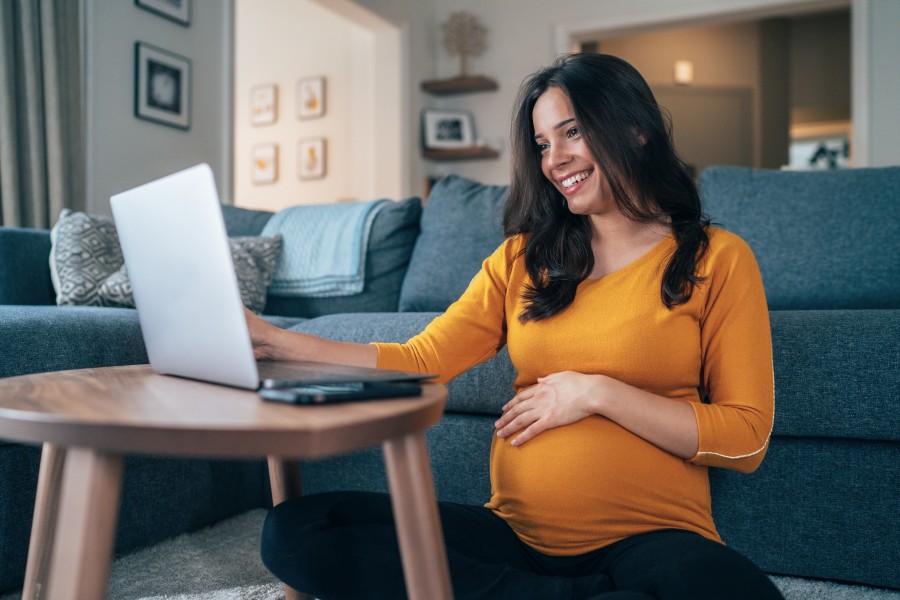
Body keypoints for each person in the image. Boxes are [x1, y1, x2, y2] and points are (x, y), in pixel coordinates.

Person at [247, 53, 785, 600]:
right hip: (511, 539)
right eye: (543, 143)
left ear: (636, 128)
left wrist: (598, 393)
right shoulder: (523, 258)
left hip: (653, 542)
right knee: (299, 531)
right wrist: (275, 339)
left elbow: (745, 439)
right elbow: (420, 359)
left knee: (737, 591)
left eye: (572, 132)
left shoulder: (717, 258)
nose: (556, 159)